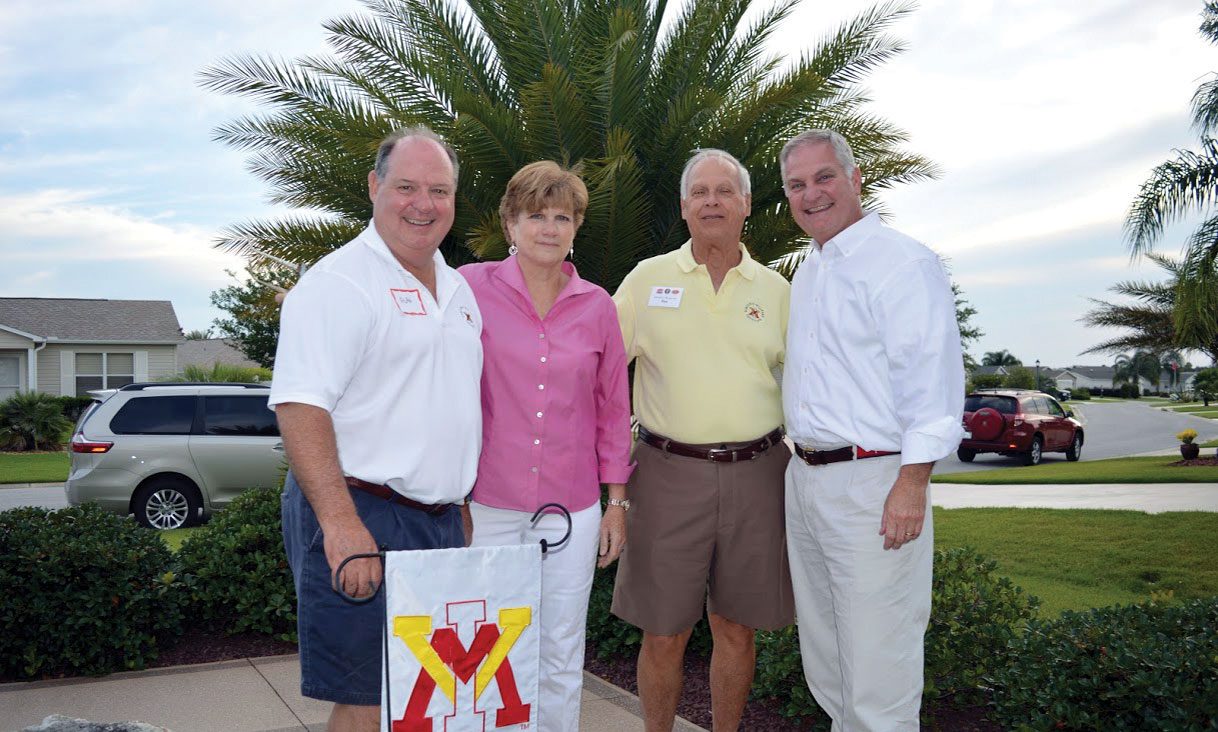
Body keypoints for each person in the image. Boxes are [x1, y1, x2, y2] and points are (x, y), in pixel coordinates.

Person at [270, 126, 483, 732]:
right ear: (374, 187)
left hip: (436, 521)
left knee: (428, 689)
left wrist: (457, 500)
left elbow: (446, 400)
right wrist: (342, 527)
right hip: (362, 512)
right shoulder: (338, 284)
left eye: (439, 190)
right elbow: (300, 408)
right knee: (368, 693)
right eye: (407, 187)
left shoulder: (460, 288)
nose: (424, 204)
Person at [780, 129, 965, 731]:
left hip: (875, 483)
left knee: (879, 667)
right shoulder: (810, 272)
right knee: (830, 661)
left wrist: (912, 484)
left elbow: (932, 389)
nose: (812, 194)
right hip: (807, 481)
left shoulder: (903, 263)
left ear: (857, 178)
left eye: (824, 177)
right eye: (797, 184)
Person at [611, 149, 794, 732]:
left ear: (745, 204)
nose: (712, 201)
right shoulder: (647, 280)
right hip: (666, 472)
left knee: (737, 629)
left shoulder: (780, 292)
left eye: (725, 191)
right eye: (700, 192)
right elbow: (601, 374)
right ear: (684, 207)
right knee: (664, 632)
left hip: (760, 471)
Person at [458, 161, 633, 732]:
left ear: (577, 226)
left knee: (560, 648)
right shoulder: (467, 288)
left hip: (572, 509)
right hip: (487, 504)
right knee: (486, 647)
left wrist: (616, 504)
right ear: (510, 222)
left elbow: (613, 411)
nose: (549, 228)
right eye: (536, 215)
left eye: (563, 217)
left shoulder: (597, 306)